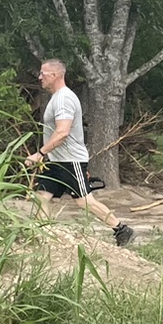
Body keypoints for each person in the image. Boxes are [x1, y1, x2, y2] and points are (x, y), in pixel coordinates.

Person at [25, 59, 135, 248]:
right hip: (56, 161)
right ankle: (41, 235)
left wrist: (40, 153)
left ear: (55, 75)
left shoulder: (64, 99)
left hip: (70, 160)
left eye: (43, 73)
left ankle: (122, 229)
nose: (39, 77)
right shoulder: (57, 97)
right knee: (41, 196)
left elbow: (62, 131)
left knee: (85, 202)